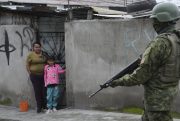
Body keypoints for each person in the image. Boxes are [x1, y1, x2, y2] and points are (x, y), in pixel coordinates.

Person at [106, 2, 180, 121]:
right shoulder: (176, 40)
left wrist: (117, 81)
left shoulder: (160, 43)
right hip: (166, 97)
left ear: (162, 20)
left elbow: (140, 76)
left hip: (156, 102)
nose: (153, 23)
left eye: (155, 20)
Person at [26, 42, 47, 113]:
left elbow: (47, 62)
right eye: (36, 47)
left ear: (41, 47)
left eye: (39, 47)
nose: (37, 48)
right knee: (37, 91)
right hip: (34, 76)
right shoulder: (31, 55)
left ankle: (45, 106)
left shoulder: (44, 54)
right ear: (33, 48)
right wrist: (30, 73)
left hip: (44, 75)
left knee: (44, 91)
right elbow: (27, 64)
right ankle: (39, 106)